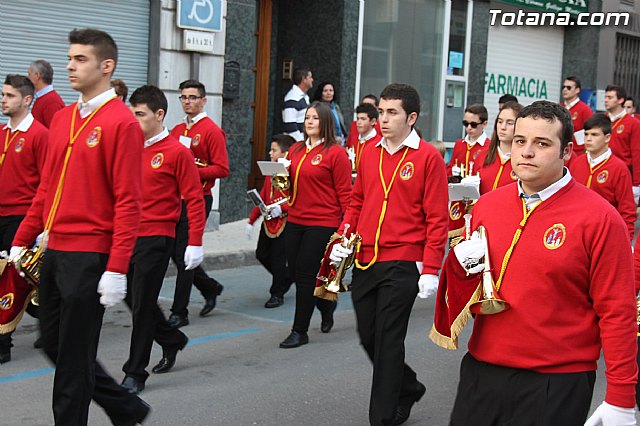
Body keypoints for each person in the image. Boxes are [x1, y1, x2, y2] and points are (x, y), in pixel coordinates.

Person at [431, 100, 638, 426]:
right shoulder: (486, 206)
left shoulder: (601, 218)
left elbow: (617, 312)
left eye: (542, 143)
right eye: (520, 141)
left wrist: (621, 399)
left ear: (567, 151)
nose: (526, 152)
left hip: (557, 380)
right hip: (483, 369)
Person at [10, 28, 150, 425]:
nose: (70, 65)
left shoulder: (121, 123)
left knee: (72, 361)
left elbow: (129, 201)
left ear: (106, 67)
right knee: (52, 341)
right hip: (54, 251)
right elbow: (47, 188)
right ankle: (125, 406)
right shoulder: (63, 118)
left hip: (89, 257)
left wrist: (117, 267)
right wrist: (23, 238)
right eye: (69, 58)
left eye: (81, 59)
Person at [330, 83, 449, 425]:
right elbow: (357, 201)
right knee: (368, 336)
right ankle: (408, 387)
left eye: (392, 112)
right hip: (366, 258)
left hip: (404, 263)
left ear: (411, 117)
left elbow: (437, 218)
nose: (382, 119)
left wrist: (430, 268)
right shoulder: (369, 151)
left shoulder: (428, 158)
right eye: (381, 112)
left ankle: (380, 418)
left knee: (387, 339)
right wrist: (343, 237)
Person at [120, 85, 206, 395]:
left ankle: (135, 372)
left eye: (140, 115)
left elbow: (194, 199)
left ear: (159, 114)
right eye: (132, 115)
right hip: (126, 235)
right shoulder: (129, 147)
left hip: (157, 236)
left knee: (143, 305)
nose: (134, 121)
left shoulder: (177, 152)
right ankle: (171, 339)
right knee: (130, 297)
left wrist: (195, 241)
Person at [278, 101, 352, 349]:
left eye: (315, 118)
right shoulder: (296, 149)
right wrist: (279, 177)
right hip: (296, 219)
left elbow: (345, 194)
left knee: (306, 273)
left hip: (323, 222)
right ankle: (326, 304)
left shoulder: (335, 153)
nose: (309, 121)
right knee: (299, 274)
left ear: (326, 123)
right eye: (307, 117)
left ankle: (299, 331)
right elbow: (288, 188)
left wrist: (345, 229)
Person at [168, 79, 230, 328]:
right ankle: (210, 287)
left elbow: (222, 169)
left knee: (183, 254)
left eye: (193, 97)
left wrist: (191, 172)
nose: (187, 102)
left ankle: (179, 311)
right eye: (183, 97)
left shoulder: (212, 131)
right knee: (176, 252)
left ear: (204, 100)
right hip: (175, 199)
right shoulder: (177, 130)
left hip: (199, 199)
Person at [0, 74, 48, 363]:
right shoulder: (2, 133)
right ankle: (49, 314)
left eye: (10, 95)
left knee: (11, 278)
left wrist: (44, 226)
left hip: (23, 216)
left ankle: (3, 344)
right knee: (24, 281)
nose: (3, 100)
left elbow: (49, 183)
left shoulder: (40, 135)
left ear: (27, 100)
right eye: (3, 94)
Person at [246, 134, 295, 308]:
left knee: (278, 259)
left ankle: (277, 293)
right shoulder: (271, 173)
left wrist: (281, 209)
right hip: (268, 221)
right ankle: (287, 277)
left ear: (286, 153)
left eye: (274, 150)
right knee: (262, 254)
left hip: (285, 223)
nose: (270, 153)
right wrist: (251, 221)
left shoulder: (294, 173)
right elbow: (264, 196)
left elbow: (299, 200)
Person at [569, 113, 636, 240]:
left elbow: (627, 211)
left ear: (607, 138)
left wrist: (626, 240)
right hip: (576, 230)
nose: (588, 139)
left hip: (604, 233)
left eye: (594, 135)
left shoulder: (619, 168)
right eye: (586, 134)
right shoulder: (577, 163)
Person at [447, 104, 490, 238]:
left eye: (473, 124)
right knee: (454, 242)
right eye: (465, 123)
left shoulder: (488, 147)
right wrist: (452, 175)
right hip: (458, 200)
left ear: (484, 124)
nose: (469, 128)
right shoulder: (459, 144)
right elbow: (450, 168)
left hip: (477, 199)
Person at [604, 84, 640, 204]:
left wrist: (636, 183)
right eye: (605, 97)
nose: (606, 100)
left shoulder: (633, 123)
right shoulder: (601, 120)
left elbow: (637, 154)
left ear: (620, 100)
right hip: (602, 170)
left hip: (623, 174)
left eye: (610, 97)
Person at [477, 101, 523, 194]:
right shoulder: (482, 156)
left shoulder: (525, 160)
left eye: (510, 123)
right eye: (500, 121)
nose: (503, 127)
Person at [27, 59, 65, 129]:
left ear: (37, 76)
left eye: (29, 74)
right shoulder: (43, 98)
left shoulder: (52, 102)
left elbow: (55, 131)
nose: (27, 78)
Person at [561, 76, 593, 156]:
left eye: (569, 87)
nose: (565, 90)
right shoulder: (559, 107)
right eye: (563, 87)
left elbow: (591, 131)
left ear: (577, 90)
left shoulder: (585, 109)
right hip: (561, 152)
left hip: (577, 154)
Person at [347, 103, 382, 173]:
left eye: (363, 119)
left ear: (373, 121)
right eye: (358, 119)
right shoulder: (354, 139)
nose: (358, 122)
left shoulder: (379, 143)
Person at [282, 67, 313, 141]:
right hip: (297, 145)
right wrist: (301, 142)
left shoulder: (304, 97)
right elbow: (290, 125)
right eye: (310, 77)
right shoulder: (292, 98)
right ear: (303, 79)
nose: (312, 80)